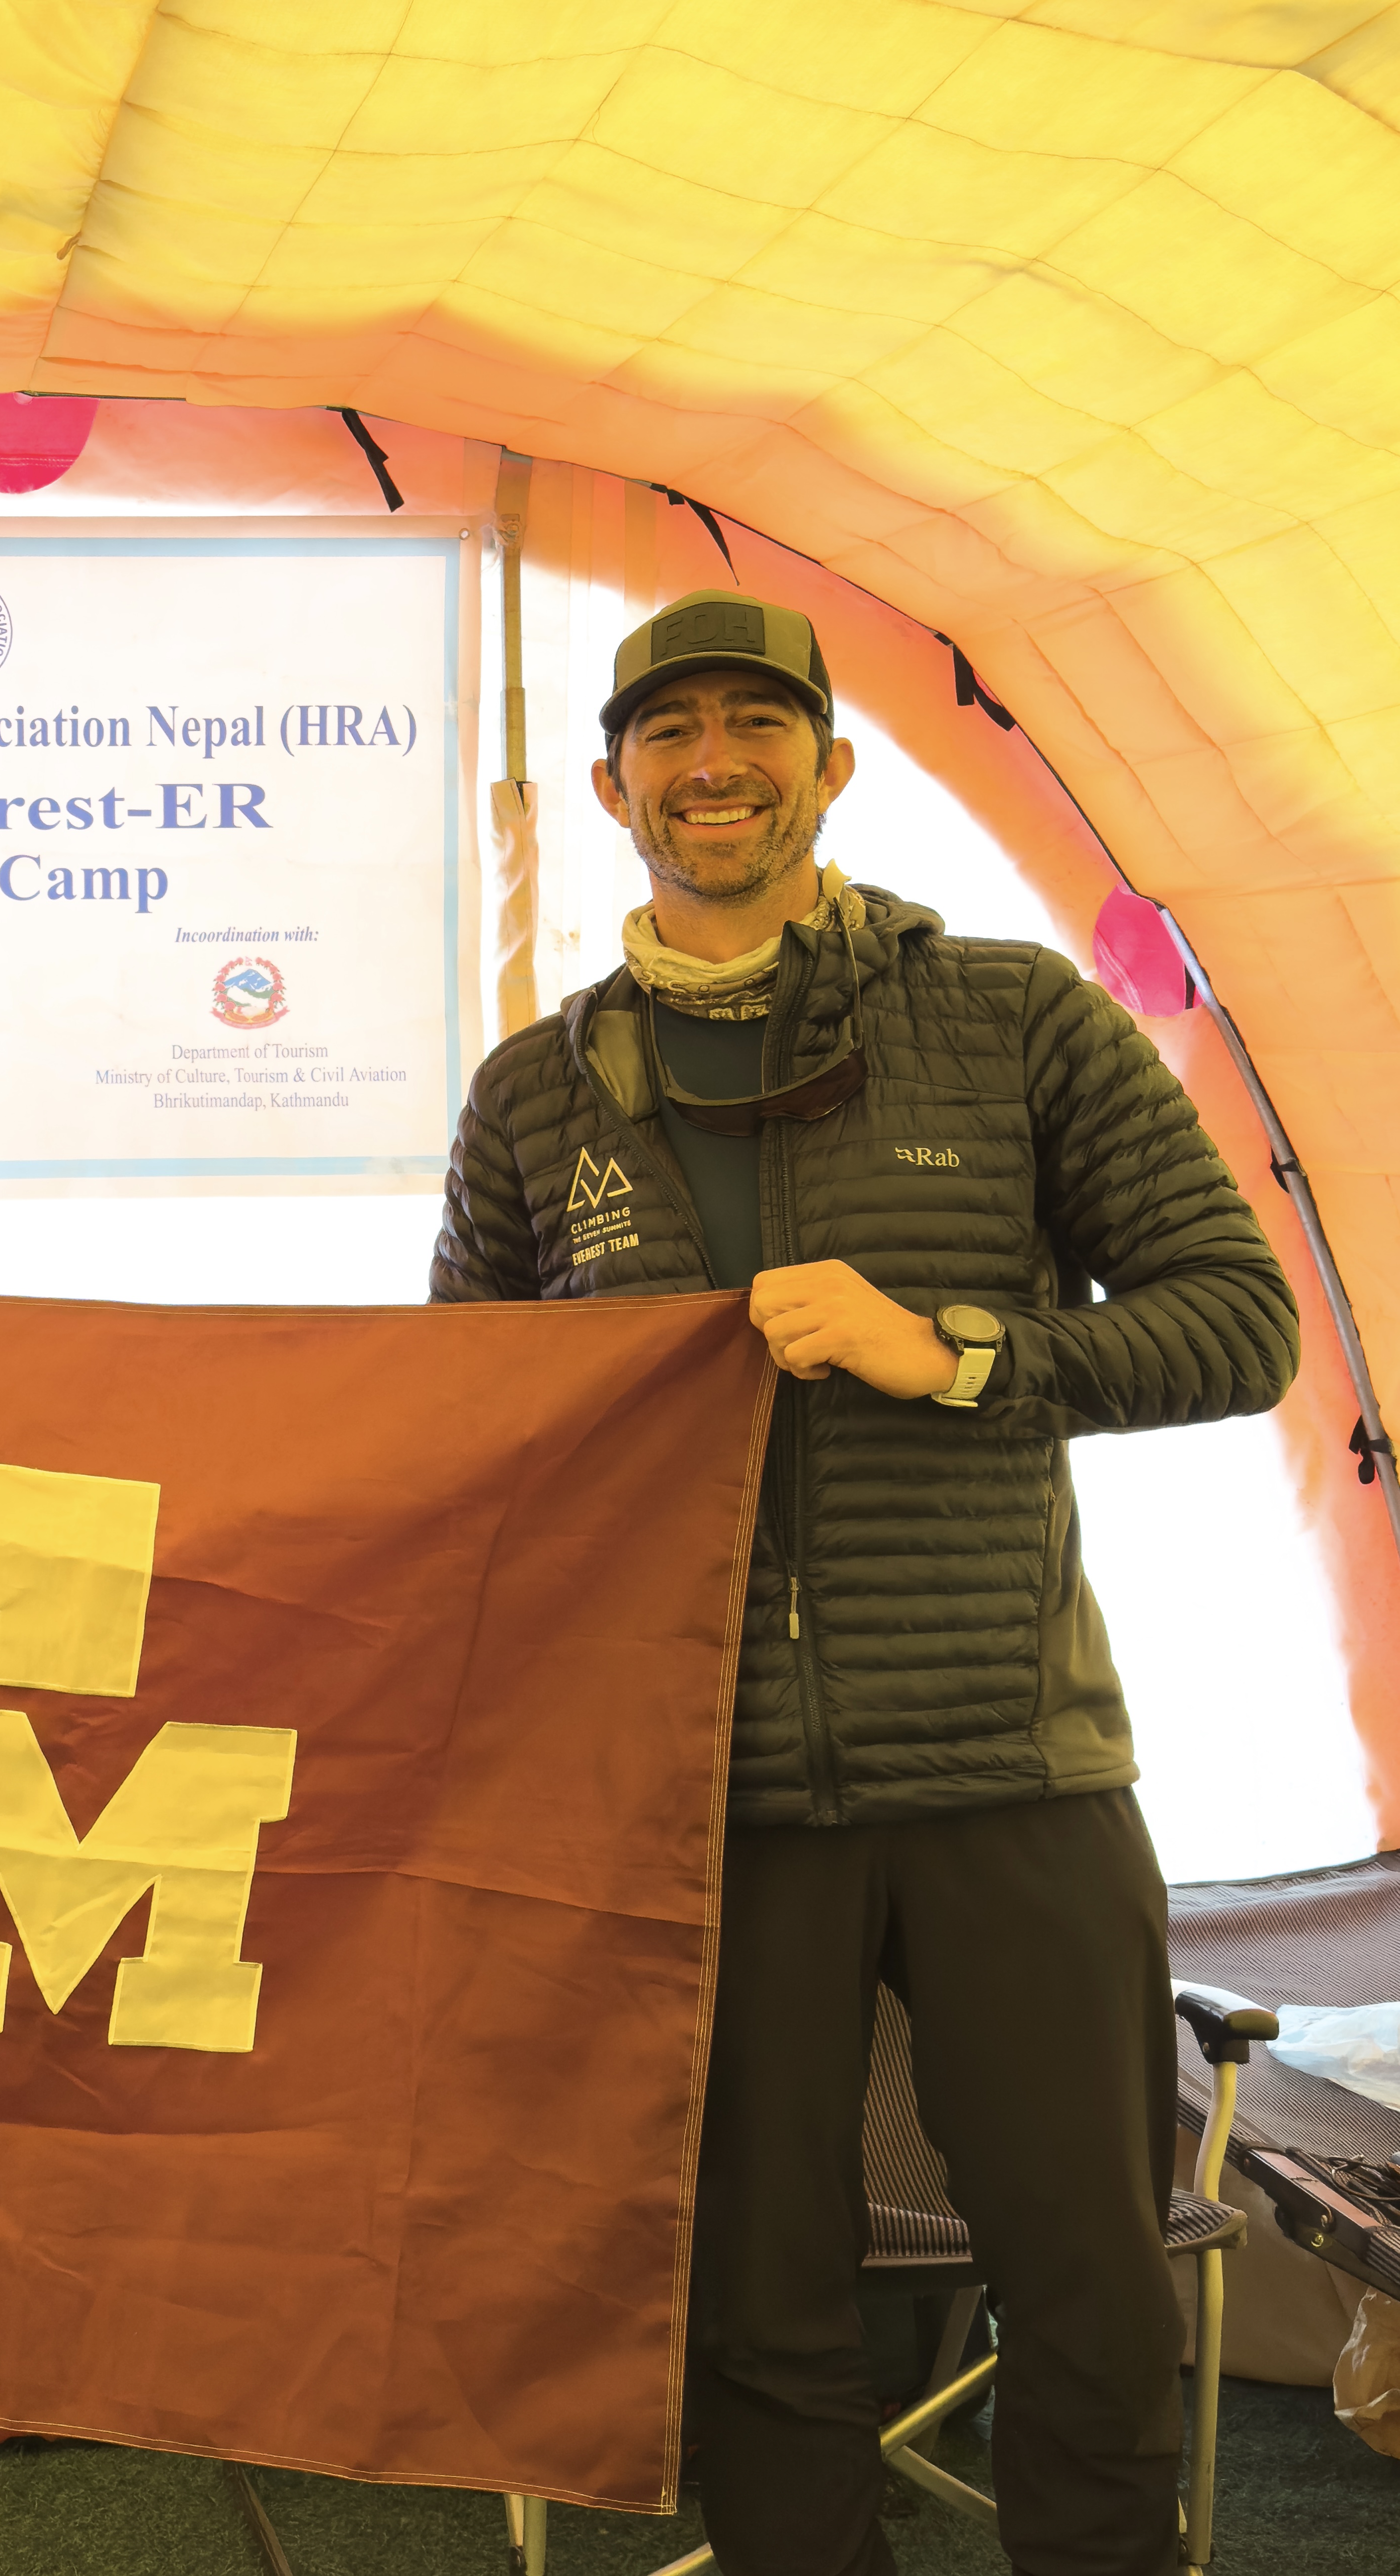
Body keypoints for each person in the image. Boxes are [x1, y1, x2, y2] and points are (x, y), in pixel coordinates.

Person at [432, 588, 1297, 2576]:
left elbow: (1233, 1325)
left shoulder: (1007, 1019)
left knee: (1088, 2277)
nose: (710, 764)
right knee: (756, 2302)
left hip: (1010, 1765)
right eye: (669, 735)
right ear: (610, 785)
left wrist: (962, 1349)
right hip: (709, 1804)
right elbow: (467, 1436)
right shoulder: (535, 1098)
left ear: (830, 766)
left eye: (754, 726)